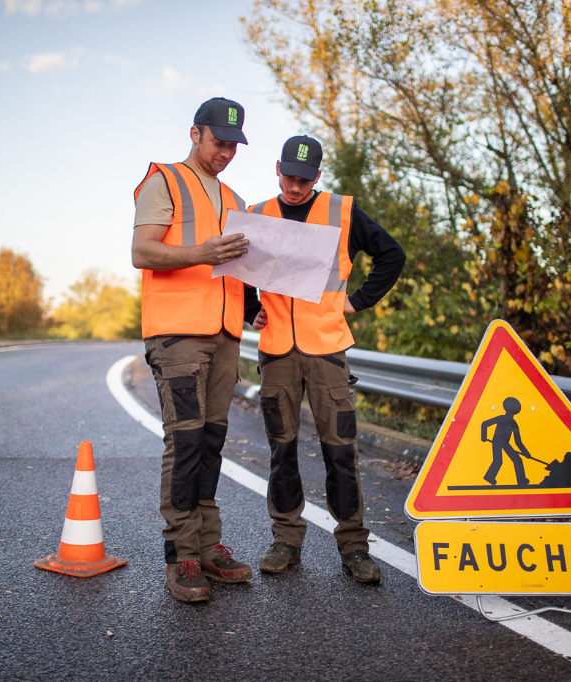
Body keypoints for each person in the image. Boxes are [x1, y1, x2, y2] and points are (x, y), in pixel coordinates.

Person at [246, 135, 406, 583]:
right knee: (281, 451)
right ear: (276, 168)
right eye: (288, 177)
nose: (295, 187)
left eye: (304, 179)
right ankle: (285, 541)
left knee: (340, 451)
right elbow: (236, 266)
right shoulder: (257, 216)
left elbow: (392, 255)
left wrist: (358, 301)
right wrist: (246, 309)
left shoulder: (342, 212)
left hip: (328, 350)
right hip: (276, 350)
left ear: (318, 175)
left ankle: (354, 545)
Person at [131, 97, 266, 603]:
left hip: (227, 332)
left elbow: (236, 267)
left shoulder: (234, 197)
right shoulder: (163, 180)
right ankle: (182, 555)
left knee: (211, 442)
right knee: (185, 442)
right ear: (194, 133)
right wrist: (200, 254)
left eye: (233, 145)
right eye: (218, 142)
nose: (226, 153)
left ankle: (208, 546)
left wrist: (252, 304)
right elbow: (141, 251)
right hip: (178, 333)